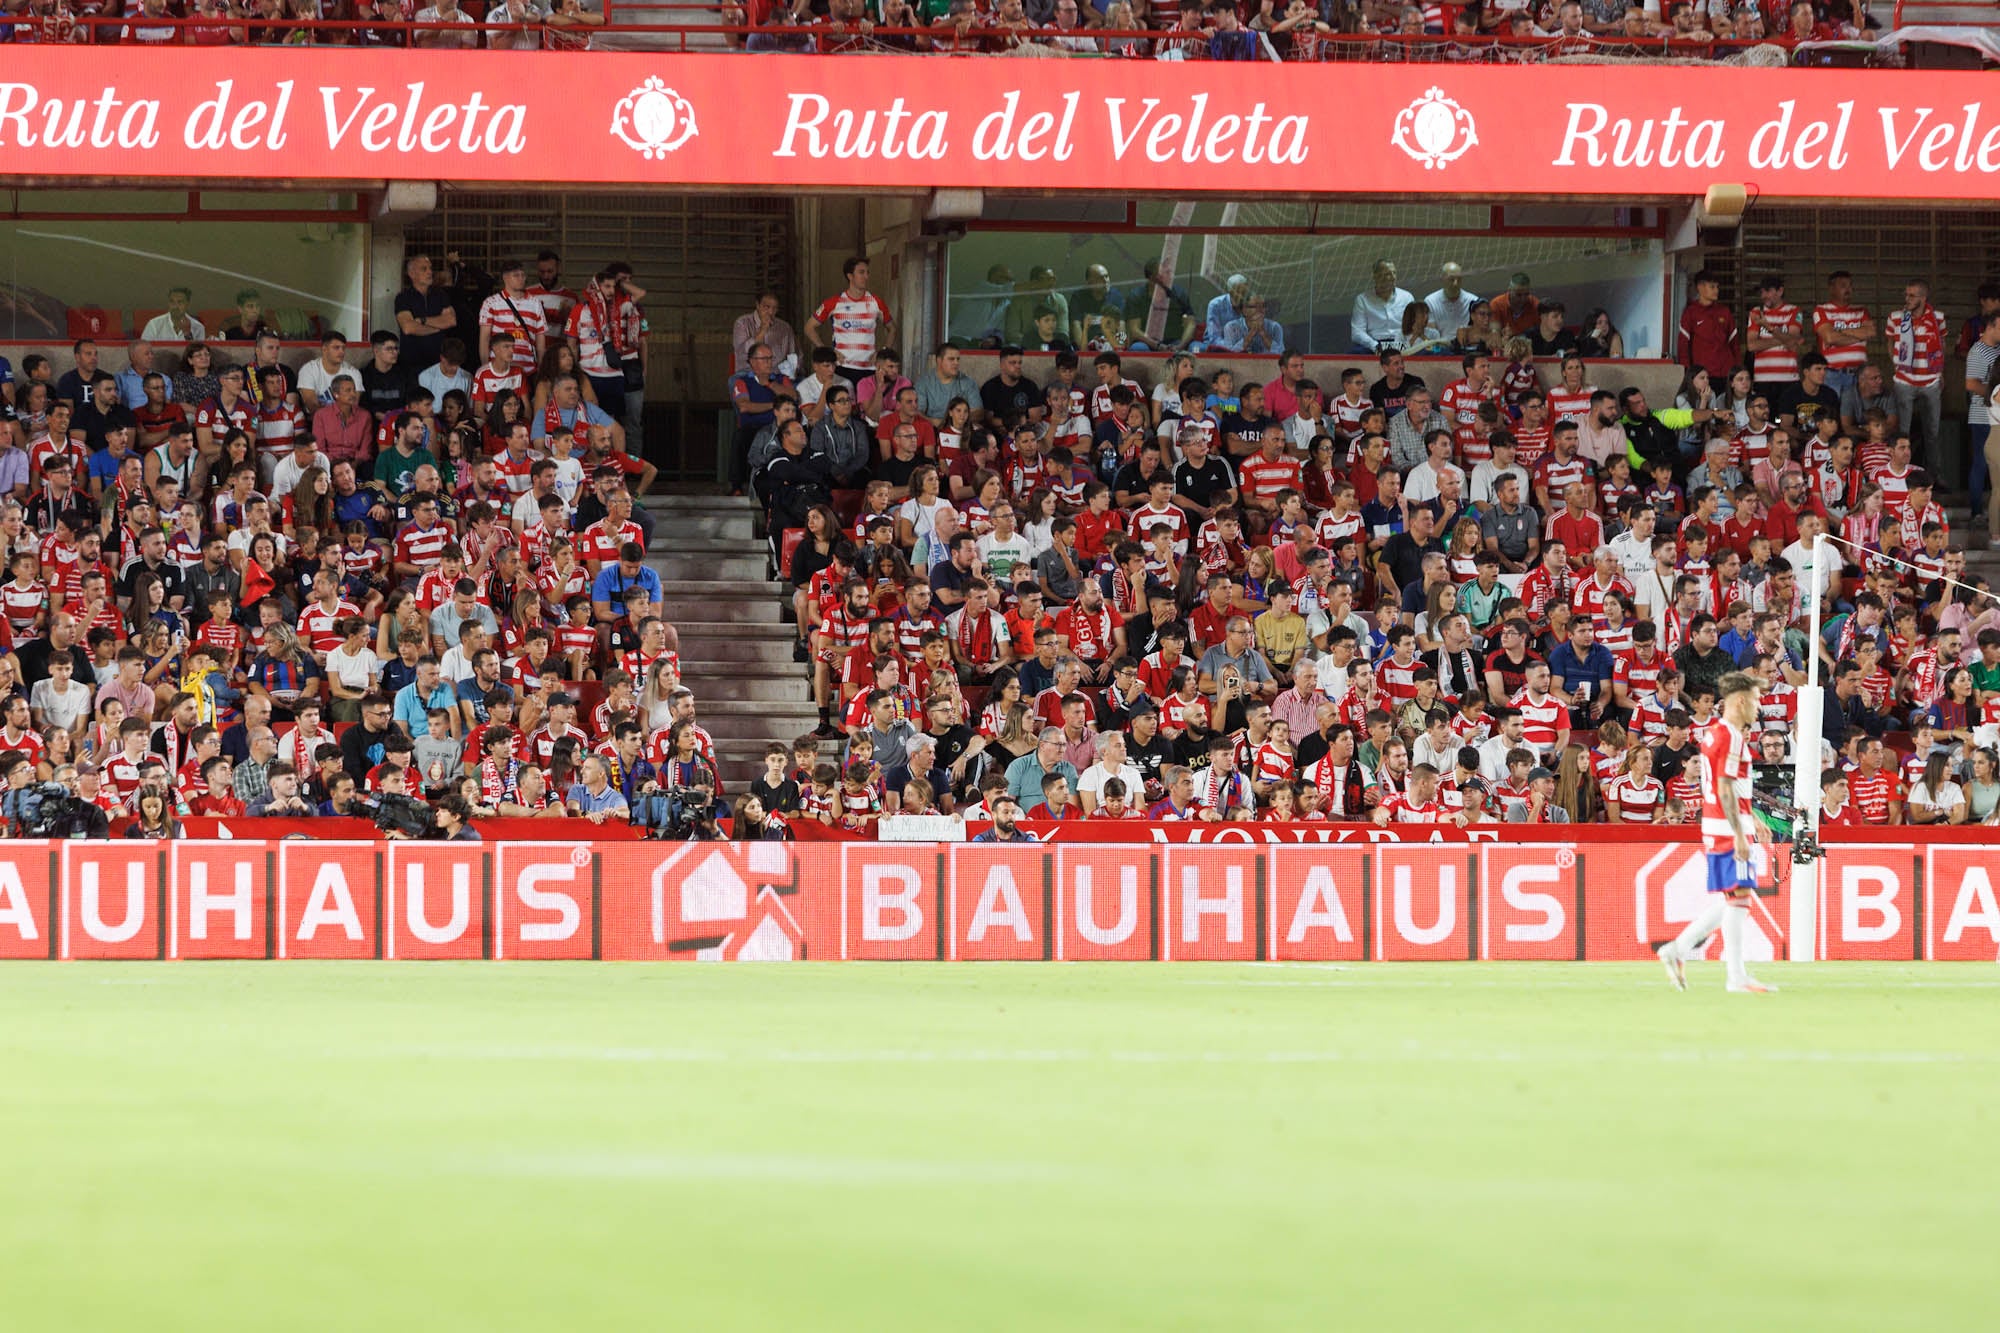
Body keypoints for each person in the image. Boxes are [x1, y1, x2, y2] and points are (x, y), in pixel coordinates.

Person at [1657, 671, 1774, 994]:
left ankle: (1678, 949)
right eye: (1755, 698)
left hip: (1720, 823)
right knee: (1740, 897)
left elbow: (1733, 784)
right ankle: (1734, 977)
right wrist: (1739, 832)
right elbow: (1724, 788)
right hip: (1726, 826)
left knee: (1736, 896)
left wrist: (1753, 819)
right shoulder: (1732, 736)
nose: (1759, 705)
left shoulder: (1714, 733)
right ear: (1740, 700)